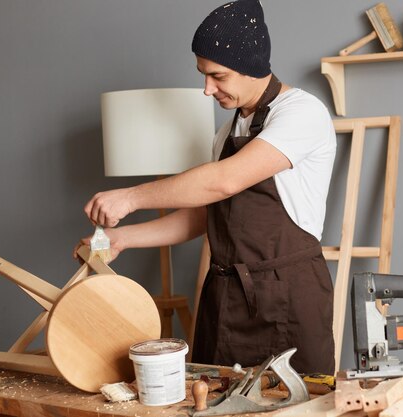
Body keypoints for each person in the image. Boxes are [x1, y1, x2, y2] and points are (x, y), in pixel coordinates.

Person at [77, 0, 336, 374]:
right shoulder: (226, 133)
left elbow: (222, 182)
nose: (206, 89)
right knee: (209, 402)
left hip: (287, 298)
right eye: (203, 74)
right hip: (226, 297)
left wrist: (131, 197)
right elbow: (204, 215)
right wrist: (123, 238)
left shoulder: (301, 113)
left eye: (218, 76)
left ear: (251, 68)